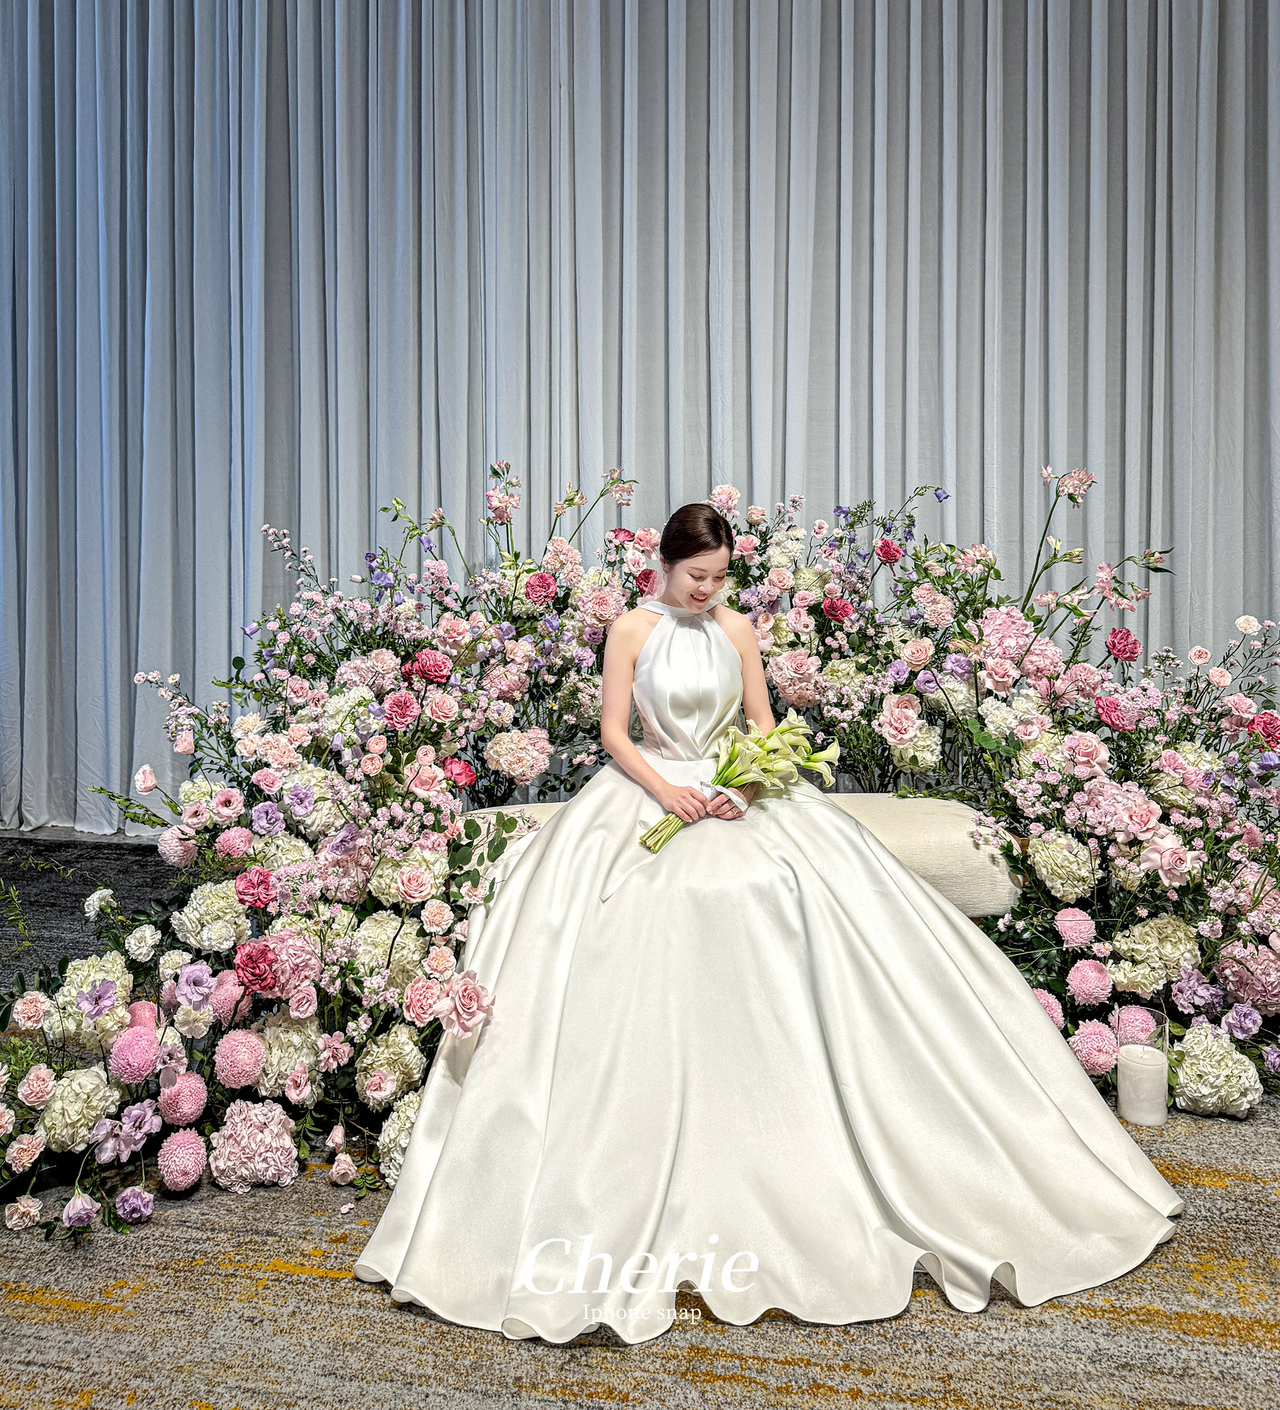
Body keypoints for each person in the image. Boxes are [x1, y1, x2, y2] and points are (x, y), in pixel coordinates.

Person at [353, 502, 1183, 1344]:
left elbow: (764, 725)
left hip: (734, 788)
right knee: (632, 908)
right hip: (646, 791)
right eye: (696, 576)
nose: (708, 590)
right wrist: (667, 790)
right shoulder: (631, 628)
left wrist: (744, 786)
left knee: (789, 885)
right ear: (665, 564)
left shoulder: (737, 628)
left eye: (720, 577)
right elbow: (614, 733)